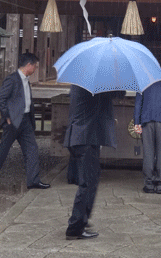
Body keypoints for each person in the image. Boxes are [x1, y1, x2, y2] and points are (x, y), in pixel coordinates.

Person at [0, 52, 50, 193]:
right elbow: (0, 98)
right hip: (13, 121)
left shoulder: (25, 80)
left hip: (25, 121)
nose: (35, 69)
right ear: (28, 65)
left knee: (32, 150)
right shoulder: (12, 79)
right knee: (2, 152)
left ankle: (33, 180)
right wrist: (7, 116)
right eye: (35, 66)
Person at [64, 85, 119, 240]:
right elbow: (117, 93)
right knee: (87, 183)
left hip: (81, 136)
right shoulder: (94, 85)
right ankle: (75, 227)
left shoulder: (80, 83)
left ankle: (81, 218)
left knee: (90, 180)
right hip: (86, 137)